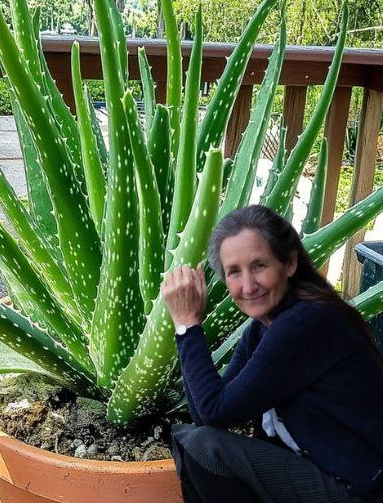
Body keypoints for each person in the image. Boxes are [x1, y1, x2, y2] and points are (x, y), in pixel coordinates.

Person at [161, 205, 383, 503]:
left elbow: (213, 415)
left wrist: (188, 324)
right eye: (234, 272)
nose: (248, 285)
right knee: (201, 442)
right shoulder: (262, 328)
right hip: (323, 473)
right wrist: (185, 328)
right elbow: (208, 417)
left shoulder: (306, 322)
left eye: (259, 266)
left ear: (289, 263)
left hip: (359, 489)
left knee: (206, 447)